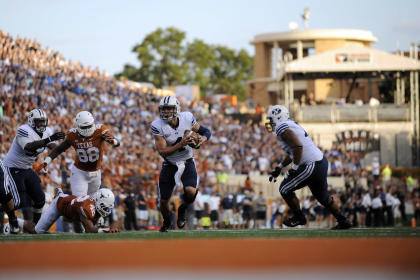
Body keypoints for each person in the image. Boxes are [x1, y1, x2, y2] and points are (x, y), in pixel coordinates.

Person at [266, 105, 351, 230]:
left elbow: (298, 147)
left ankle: (299, 217)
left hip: (311, 164)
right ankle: (343, 220)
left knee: (284, 188)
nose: (270, 123)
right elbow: (293, 151)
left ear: (278, 117)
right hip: (320, 162)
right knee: (323, 198)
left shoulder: (281, 126)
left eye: (271, 119)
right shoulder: (290, 125)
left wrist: (294, 168)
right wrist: (279, 167)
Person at [151, 96, 211, 232]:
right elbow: (163, 152)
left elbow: (206, 131)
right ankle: (167, 222)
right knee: (163, 201)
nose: (166, 112)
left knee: (191, 191)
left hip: (187, 161)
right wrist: (181, 144)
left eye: (169, 109)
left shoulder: (187, 117)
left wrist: (202, 138)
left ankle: (182, 209)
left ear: (176, 109)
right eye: (164, 109)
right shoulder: (157, 125)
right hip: (170, 164)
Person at [1, 109, 65, 233]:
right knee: (16, 202)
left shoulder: (47, 132)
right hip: (12, 168)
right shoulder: (24, 130)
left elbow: (55, 148)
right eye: (38, 122)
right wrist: (48, 140)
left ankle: (35, 227)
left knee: (40, 199)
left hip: (26, 169)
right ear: (31, 121)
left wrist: (47, 160)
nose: (42, 124)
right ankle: (14, 222)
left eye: (43, 122)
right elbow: (29, 146)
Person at [38, 111, 120, 197]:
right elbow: (59, 149)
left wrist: (114, 141)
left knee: (92, 200)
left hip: (96, 172)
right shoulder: (73, 134)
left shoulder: (99, 130)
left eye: (89, 126)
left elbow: (116, 142)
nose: (87, 129)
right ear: (78, 126)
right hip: (80, 172)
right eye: (85, 127)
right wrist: (46, 161)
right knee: (79, 200)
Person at [25, 188, 119, 234]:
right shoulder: (86, 207)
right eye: (105, 207)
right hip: (59, 206)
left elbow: (98, 227)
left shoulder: (94, 205)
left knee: (98, 223)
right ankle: (15, 221)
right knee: (36, 231)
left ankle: (61, 193)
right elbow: (89, 230)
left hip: (71, 207)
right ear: (98, 201)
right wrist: (106, 230)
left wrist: (108, 228)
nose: (106, 210)